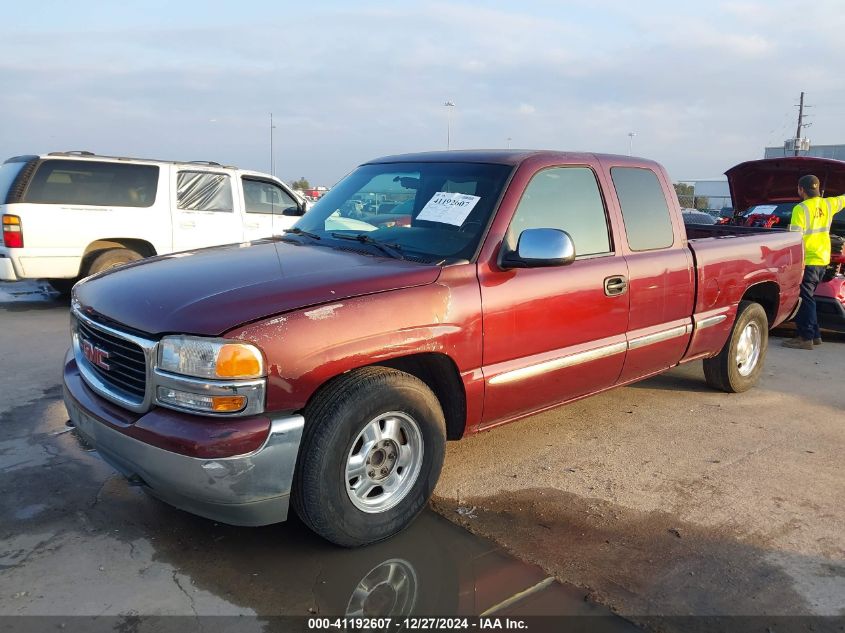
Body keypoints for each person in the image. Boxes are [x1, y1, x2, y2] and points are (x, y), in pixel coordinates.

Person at [782, 174, 845, 349]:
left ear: (801, 189)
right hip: (823, 259)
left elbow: (794, 237)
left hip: (808, 259)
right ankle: (815, 335)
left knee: (804, 298)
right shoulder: (828, 204)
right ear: (817, 189)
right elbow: (843, 199)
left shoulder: (800, 209)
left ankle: (805, 337)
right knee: (810, 297)